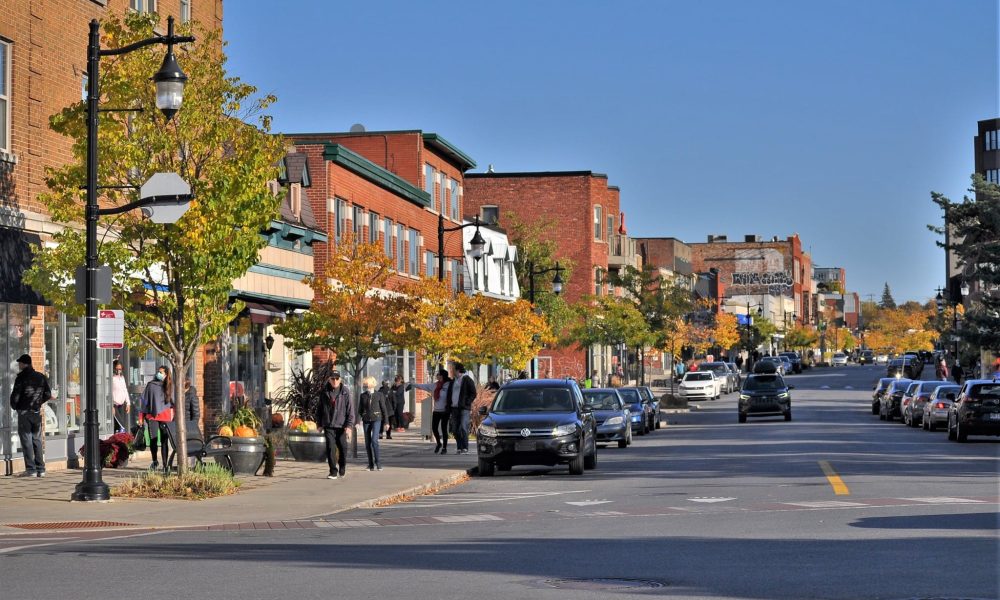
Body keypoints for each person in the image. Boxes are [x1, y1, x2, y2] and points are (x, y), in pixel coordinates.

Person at [10, 354, 51, 477]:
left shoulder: (21, 378)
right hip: (36, 412)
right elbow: (48, 394)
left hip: (24, 412)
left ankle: (31, 469)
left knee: (26, 440)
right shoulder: (40, 377)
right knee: (37, 440)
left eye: (20, 363)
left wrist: (15, 406)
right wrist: (38, 403)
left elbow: (16, 395)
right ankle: (41, 469)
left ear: (24, 364)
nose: (19, 365)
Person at [317, 370, 355, 480]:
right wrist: (319, 424)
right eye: (332, 378)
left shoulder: (345, 392)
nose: (335, 381)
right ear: (329, 379)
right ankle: (333, 471)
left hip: (342, 426)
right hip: (328, 424)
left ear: (340, 380)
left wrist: (349, 426)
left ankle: (342, 466)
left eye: (337, 378)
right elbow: (319, 409)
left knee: (343, 448)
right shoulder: (324, 392)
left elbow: (350, 410)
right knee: (330, 448)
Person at [139, 365, 174, 472]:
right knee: (153, 440)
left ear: (167, 374)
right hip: (152, 416)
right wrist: (141, 417)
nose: (159, 374)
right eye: (158, 372)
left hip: (166, 416)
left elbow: (175, 403)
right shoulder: (151, 385)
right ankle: (154, 461)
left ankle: (165, 465)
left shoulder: (171, 386)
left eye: (162, 372)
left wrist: (175, 418)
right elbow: (144, 402)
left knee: (164, 441)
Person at [411, 369, 451, 453]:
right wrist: (413, 384)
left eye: (439, 375)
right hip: (436, 410)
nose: (437, 376)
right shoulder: (435, 385)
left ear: (442, 376)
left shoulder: (449, 385)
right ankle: (439, 443)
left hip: (445, 410)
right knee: (434, 428)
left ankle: (444, 447)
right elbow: (423, 386)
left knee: (444, 429)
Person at [358, 376, 389, 471]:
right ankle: (370, 464)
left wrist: (386, 422)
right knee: (367, 442)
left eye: (367, 384)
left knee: (374, 440)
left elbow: (384, 409)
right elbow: (360, 409)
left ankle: (378, 463)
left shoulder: (379, 395)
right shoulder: (363, 395)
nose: (366, 386)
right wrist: (359, 419)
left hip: (376, 419)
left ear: (372, 384)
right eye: (365, 384)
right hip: (366, 420)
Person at [446, 361, 477, 455]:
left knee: (463, 427)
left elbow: (473, 393)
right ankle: (459, 447)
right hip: (454, 408)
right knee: (455, 429)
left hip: (464, 408)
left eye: (453, 369)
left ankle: (465, 448)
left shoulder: (467, 379)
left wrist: (467, 402)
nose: (451, 371)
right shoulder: (453, 381)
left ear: (458, 370)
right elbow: (449, 394)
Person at [111, 360, 130, 433]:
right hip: (114, 404)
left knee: (117, 426)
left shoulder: (122, 378)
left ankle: (116, 441)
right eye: (117, 369)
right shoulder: (112, 378)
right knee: (122, 424)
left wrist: (128, 403)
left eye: (120, 369)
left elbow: (125, 390)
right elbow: (109, 392)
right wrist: (111, 405)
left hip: (121, 405)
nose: (119, 371)